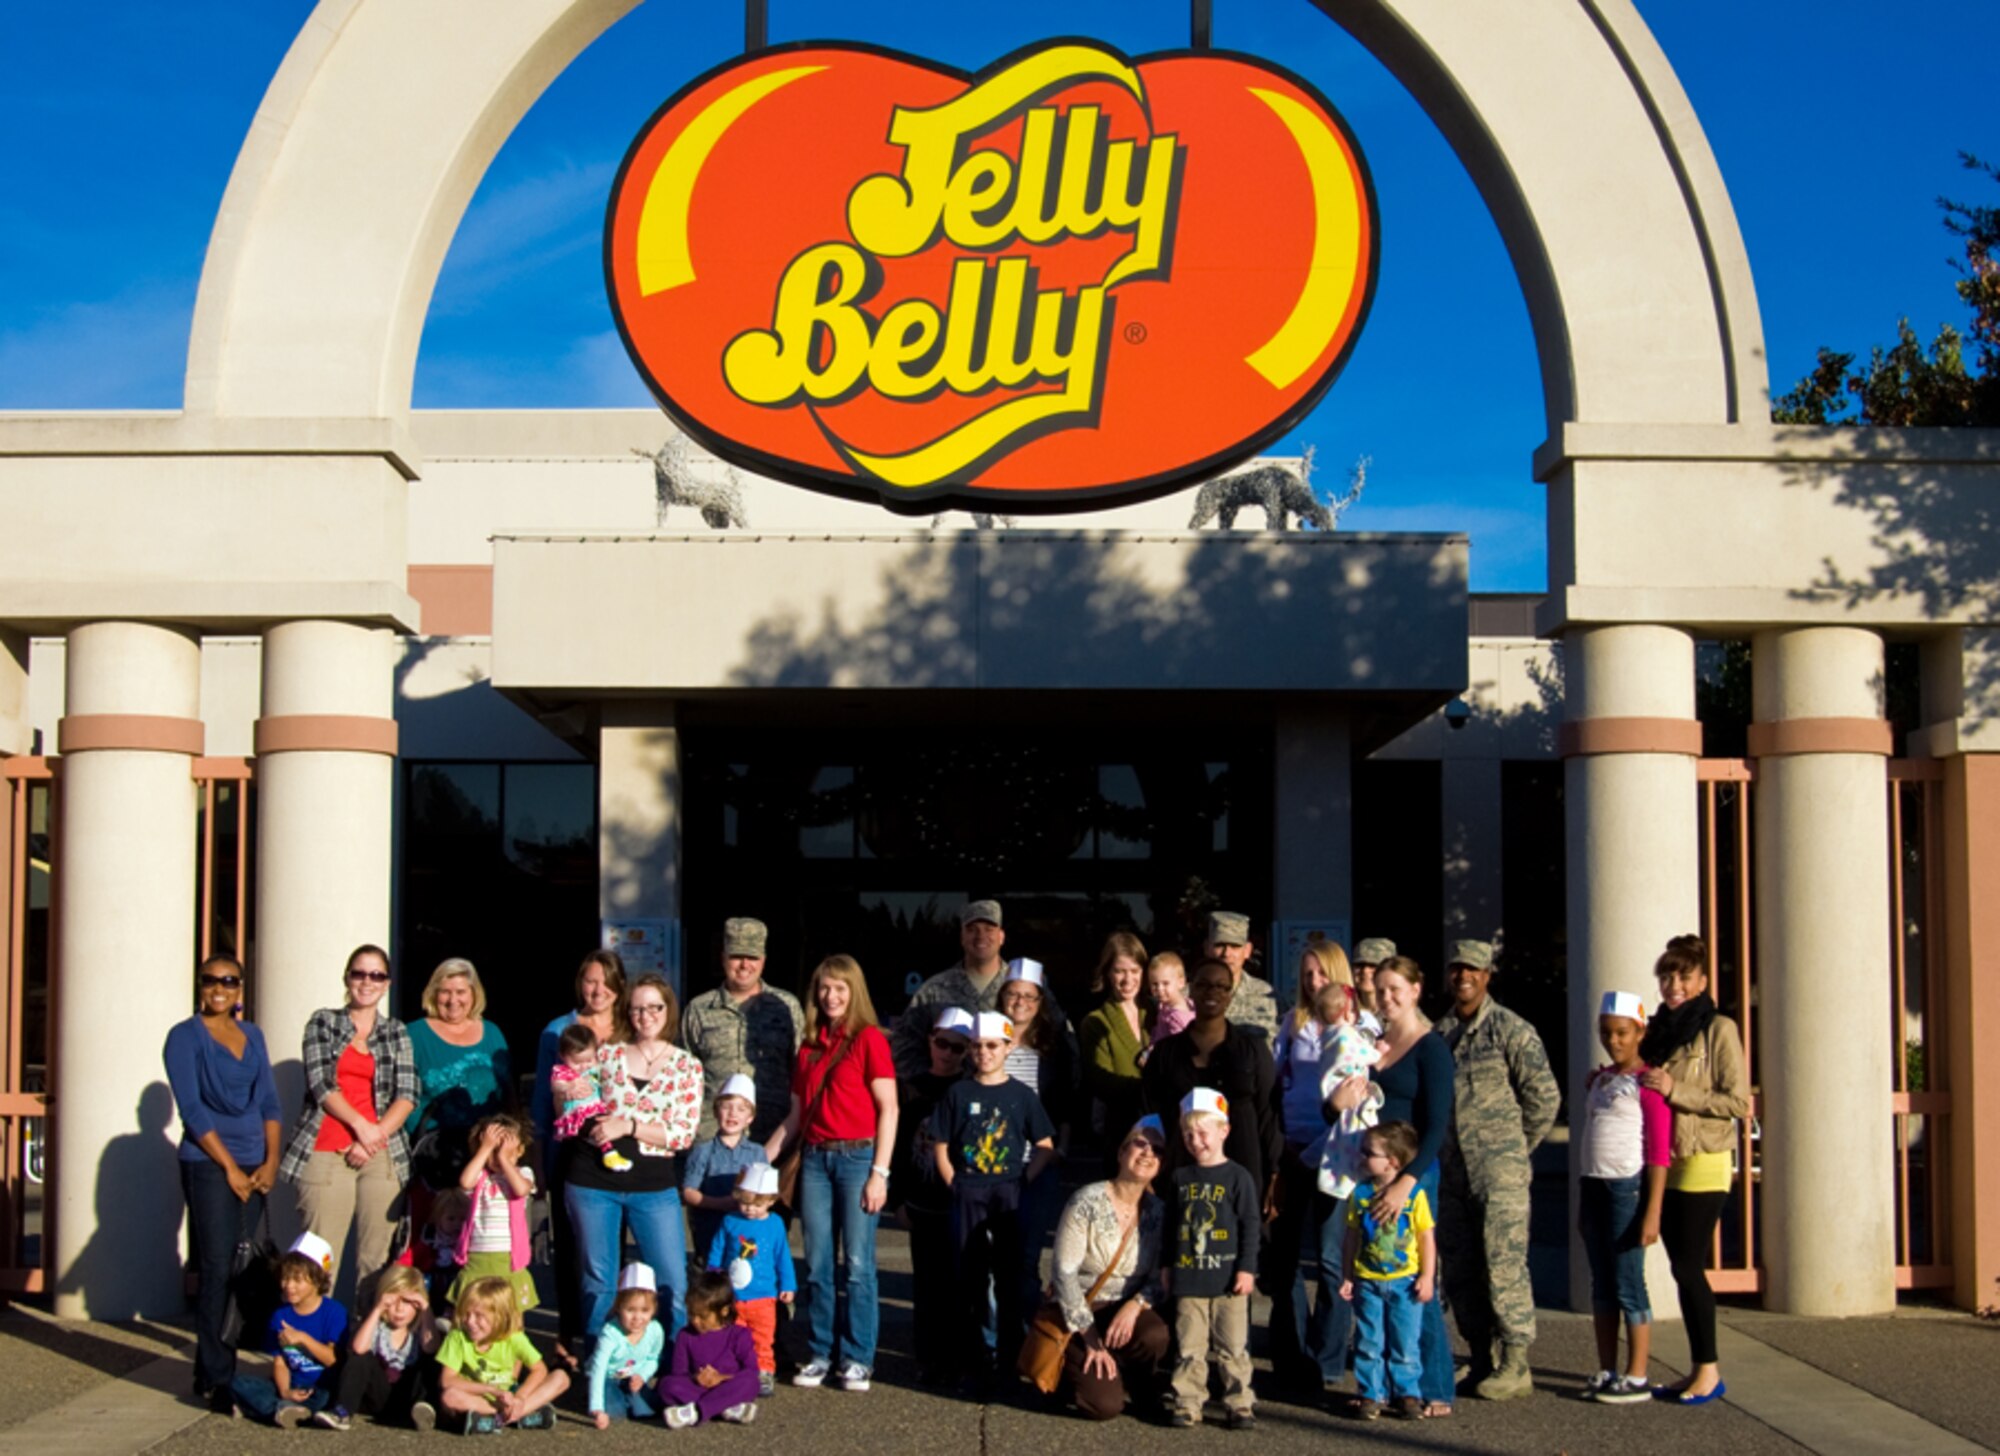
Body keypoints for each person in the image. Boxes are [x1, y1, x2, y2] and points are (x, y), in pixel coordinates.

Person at [1436, 938, 1560, 1401]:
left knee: (1503, 1265)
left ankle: (1515, 1360)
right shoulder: (1440, 1033)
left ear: (1487, 976)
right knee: (1462, 1268)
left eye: (1473, 969)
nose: (1463, 976)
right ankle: (1481, 1357)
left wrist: (1513, 1148)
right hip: (1453, 1174)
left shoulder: (1511, 1030)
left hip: (1499, 1172)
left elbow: (1544, 1098)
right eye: (1457, 969)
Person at [769, 954, 898, 1392]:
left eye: (840, 988)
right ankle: (821, 1351)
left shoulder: (868, 1040)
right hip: (817, 1162)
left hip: (858, 1159)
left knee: (859, 1264)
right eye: (824, 988)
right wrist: (761, 1160)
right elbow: (795, 1115)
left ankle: (858, 1356)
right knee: (819, 1264)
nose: (831, 996)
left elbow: (889, 1108)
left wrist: (880, 1172)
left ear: (854, 991)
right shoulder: (809, 1045)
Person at [163, 951, 283, 1413]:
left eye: (229, 981)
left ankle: (211, 1365)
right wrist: (230, 1168)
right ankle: (217, 1377)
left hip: (255, 1164)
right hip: (210, 1164)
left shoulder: (252, 1035)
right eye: (210, 980)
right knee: (216, 1267)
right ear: (200, 984)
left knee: (241, 1265)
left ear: (240, 988)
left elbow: (270, 1103)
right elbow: (191, 1110)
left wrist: (270, 1161)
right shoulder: (184, 1037)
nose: (219, 988)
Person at [565, 972, 703, 1346]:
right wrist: (567, 1090)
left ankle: (673, 1364)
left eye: (653, 1007)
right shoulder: (607, 1054)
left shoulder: (686, 1066)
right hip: (594, 1181)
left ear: (667, 1009)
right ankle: (602, 1366)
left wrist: (628, 1125)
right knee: (600, 1279)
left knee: (671, 1277)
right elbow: (574, 1098)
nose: (645, 1016)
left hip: (653, 1186)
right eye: (637, 1008)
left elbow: (682, 1133)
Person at [1640, 933, 1748, 1406]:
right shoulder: (1658, 1027)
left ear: (1702, 981)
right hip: (1667, 1158)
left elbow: (1738, 1102)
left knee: (1688, 1266)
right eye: (1668, 975)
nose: (1674, 984)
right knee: (1682, 1268)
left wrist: (1675, 1088)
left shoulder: (1718, 1028)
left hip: (1705, 1158)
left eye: (1684, 975)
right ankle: (1697, 1368)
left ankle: (1709, 1370)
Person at [278, 944, 418, 1304]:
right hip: (326, 1148)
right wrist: (362, 1126)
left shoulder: (396, 1032)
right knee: (319, 1258)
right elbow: (321, 1084)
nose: (367, 982)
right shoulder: (323, 1022)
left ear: (387, 983)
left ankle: (365, 1352)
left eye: (376, 975)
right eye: (359, 973)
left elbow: (407, 1094)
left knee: (376, 1260)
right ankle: (314, 1348)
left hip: (383, 1153)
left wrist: (374, 1137)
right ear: (347, 978)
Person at [1347, 956, 1454, 1417]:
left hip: (1414, 1176)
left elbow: (1436, 1126)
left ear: (1416, 989)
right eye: (1381, 989)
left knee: (1415, 1284)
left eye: (1396, 989)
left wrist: (1406, 1185)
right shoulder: (1371, 1042)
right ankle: (1383, 1387)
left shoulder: (1431, 1049)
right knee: (1376, 1280)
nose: (1387, 997)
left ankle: (1435, 1388)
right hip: (1374, 1175)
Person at [932, 1009, 1056, 1395]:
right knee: (967, 1276)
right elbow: (939, 1142)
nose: (983, 1053)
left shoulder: (1021, 1095)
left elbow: (1045, 1145)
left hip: (1007, 1193)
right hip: (969, 1189)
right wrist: (953, 1180)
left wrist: (1023, 1179)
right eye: (976, 1046)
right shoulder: (959, 1092)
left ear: (1007, 1047)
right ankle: (971, 1361)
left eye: (991, 1046)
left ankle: (1010, 1359)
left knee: (1009, 1276)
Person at [1268, 941, 1362, 1393]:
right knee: (1285, 1260)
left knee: (1329, 1259)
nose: (1313, 983)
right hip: (1291, 1147)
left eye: (1321, 975)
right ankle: (1293, 1355)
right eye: (1306, 975)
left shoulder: (1360, 1026)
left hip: (1336, 1152)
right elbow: (1275, 1082)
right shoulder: (1291, 1023)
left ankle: (1327, 1361)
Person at [531, 948, 632, 1369]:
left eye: (606, 983)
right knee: (572, 1249)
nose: (598, 990)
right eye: (590, 981)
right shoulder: (558, 1030)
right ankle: (569, 1335)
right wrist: (537, 1159)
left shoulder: (631, 1028)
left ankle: (615, 1334)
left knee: (615, 1249)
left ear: (619, 988)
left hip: (619, 1148)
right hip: (569, 1148)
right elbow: (540, 1099)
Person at [1578, 990, 1669, 1404]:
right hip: (1592, 1184)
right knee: (1602, 1280)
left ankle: (1638, 1373)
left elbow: (1658, 1154)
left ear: (1639, 1032)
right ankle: (1607, 1366)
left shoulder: (1647, 1085)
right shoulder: (1600, 1079)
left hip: (1626, 1188)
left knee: (1629, 1281)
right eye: (1606, 1032)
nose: (1613, 1041)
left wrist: (1652, 1211)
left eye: (1621, 1033)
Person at [1050, 1118, 1170, 1421]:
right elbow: (1063, 1273)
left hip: (1124, 1313)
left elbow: (1159, 1278)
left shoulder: (1159, 1212)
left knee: (1155, 1334)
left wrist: (1135, 1305)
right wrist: (1090, 1338)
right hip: (1080, 1310)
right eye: (1140, 1143)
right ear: (1121, 1152)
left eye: (1157, 1149)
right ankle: (1070, 1367)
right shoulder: (1085, 1201)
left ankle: (1137, 1381)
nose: (1147, 1153)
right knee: (1103, 1407)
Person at [1141, 959, 1279, 1199]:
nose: (1212, 992)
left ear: (1230, 994)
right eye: (1204, 985)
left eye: (1221, 986)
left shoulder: (1252, 1051)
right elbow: (1148, 1114)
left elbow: (1269, 1114)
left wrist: (1276, 1172)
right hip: (1180, 1170)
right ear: (1191, 989)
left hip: (1244, 1168)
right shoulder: (1165, 1053)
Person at [1163, 1087, 1260, 1430]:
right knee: (1190, 1345)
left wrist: (1247, 1268)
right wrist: (1166, 1265)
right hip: (1189, 1277)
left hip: (1228, 1280)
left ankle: (1239, 1402)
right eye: (1188, 1133)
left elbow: (1250, 1224)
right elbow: (1170, 1225)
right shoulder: (1179, 1178)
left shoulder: (1238, 1177)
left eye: (1203, 1132)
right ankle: (1188, 1401)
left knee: (1233, 1346)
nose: (1196, 1140)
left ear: (1224, 1131)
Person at [891, 900, 1064, 1075]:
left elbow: (1059, 1039)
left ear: (1001, 936)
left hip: (1011, 1095)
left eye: (989, 929)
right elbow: (904, 1044)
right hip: (951, 1097)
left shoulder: (1024, 988)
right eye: (972, 929)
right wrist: (927, 1084)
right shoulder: (934, 989)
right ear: (962, 937)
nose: (980, 936)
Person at [894, 1006, 973, 1386]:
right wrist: (897, 1200)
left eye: (957, 1048)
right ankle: (926, 1356)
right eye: (942, 1043)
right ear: (930, 1041)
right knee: (926, 1284)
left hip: (958, 1202)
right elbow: (895, 1149)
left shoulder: (969, 1090)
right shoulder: (910, 1089)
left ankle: (957, 1357)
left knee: (959, 1283)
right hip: (920, 1200)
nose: (947, 1052)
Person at [1339, 1121, 1435, 1422]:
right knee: (1368, 1340)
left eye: (1369, 1152)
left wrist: (1427, 1276)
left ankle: (1407, 1392)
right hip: (1368, 1280)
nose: (1362, 1156)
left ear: (1392, 1161)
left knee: (1405, 1340)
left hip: (1404, 1280)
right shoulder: (1360, 1194)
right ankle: (1370, 1392)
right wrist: (1347, 1275)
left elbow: (1425, 1237)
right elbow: (1351, 1237)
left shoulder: (1414, 1196)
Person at [998, 957, 1076, 1317]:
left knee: (1027, 1257)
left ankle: (1023, 1344)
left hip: (1039, 1164)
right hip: (993, 1165)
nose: (1020, 1002)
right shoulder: (987, 1040)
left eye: (1029, 996)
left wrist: (1061, 1147)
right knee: (992, 1258)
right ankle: (991, 1343)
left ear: (1040, 1002)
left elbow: (1066, 1100)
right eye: (1013, 994)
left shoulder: (1054, 1046)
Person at [680, 917, 804, 1143]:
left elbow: (800, 1071)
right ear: (723, 959)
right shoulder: (698, 1009)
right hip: (711, 1140)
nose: (745, 965)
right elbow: (684, 1075)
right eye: (737, 956)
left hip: (773, 1138)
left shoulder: (786, 1007)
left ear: (763, 961)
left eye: (752, 957)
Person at [406, 957, 512, 1198]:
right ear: (433, 994)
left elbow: (508, 1097)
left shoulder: (492, 1033)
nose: (453, 1000)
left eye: (461, 992)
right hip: (433, 1162)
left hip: (487, 1158)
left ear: (474, 994)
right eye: (444, 992)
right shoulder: (414, 1034)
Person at [231, 1232, 348, 1427]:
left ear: (317, 1280)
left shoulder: (334, 1311)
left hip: (320, 1385)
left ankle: (270, 1410)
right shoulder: (280, 1315)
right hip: (290, 1384)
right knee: (239, 1383)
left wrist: (303, 1339)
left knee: (325, 1399)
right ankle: (283, 1408)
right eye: (285, 1279)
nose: (289, 1286)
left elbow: (333, 1360)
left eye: (297, 1280)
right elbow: (279, 1362)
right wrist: (285, 1391)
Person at [705, 1162, 795, 1395]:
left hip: (764, 1296)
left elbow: (782, 1255)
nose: (749, 1209)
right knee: (733, 1337)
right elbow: (717, 1249)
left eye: (756, 1204)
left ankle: (764, 1372)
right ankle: (735, 1371)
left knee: (763, 1338)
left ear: (771, 1201)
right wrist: (713, 1273)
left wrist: (788, 1284)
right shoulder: (730, 1221)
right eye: (744, 1203)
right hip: (733, 1296)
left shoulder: (775, 1224)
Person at [436, 1275, 569, 1432]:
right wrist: (490, 1390)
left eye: (479, 1316)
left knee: (561, 1377)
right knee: (449, 1397)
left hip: (510, 1394)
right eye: (467, 1313)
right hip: (478, 1397)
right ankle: (514, 1417)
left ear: (500, 1317)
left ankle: (503, 1417)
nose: (470, 1321)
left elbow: (539, 1369)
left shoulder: (514, 1337)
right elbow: (447, 1381)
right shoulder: (457, 1337)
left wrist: (520, 1397)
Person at [319, 1263, 441, 1431]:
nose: (399, 1309)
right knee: (360, 1358)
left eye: (407, 1302)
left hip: (408, 1398)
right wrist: (378, 1309)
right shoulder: (378, 1326)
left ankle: (424, 1410)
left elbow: (431, 1347)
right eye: (394, 1302)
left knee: (430, 1360)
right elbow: (359, 1348)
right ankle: (343, 1411)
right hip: (378, 1395)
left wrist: (426, 1308)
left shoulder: (420, 1329)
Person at [452, 1113, 539, 1314]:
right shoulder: (480, 1177)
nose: (499, 1155)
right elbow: (465, 1182)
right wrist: (485, 1148)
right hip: (477, 1255)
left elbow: (521, 1190)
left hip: (508, 1257)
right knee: (473, 1309)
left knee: (511, 1311)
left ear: (519, 1151)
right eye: (494, 1150)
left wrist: (503, 1159)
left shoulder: (523, 1173)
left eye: (507, 1150)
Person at [682, 1073, 765, 1263]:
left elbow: (765, 1194)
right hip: (710, 1230)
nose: (733, 1114)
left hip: (745, 1233)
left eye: (741, 1109)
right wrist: (720, 1203)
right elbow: (688, 1192)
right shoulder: (703, 1151)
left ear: (750, 1117)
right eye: (726, 1107)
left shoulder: (757, 1153)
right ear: (716, 1112)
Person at [660, 1271, 761, 1427]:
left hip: (727, 1385)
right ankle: (726, 1408)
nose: (695, 1320)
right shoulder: (685, 1335)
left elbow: (751, 1370)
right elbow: (679, 1372)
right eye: (691, 1314)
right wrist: (696, 1378)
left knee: (751, 1382)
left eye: (703, 1316)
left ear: (724, 1311)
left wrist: (721, 1378)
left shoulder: (739, 1334)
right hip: (700, 1388)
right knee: (667, 1385)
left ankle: (696, 1412)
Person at [1079, 933, 1148, 1159]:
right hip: (1121, 1135)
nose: (1128, 980)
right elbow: (1100, 1080)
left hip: (1163, 1133)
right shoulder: (1095, 1022)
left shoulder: (1161, 1015)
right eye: (1120, 971)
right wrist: (1152, 1086)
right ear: (1107, 972)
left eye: (1134, 971)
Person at [588, 1263, 667, 1427]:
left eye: (645, 1310)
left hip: (633, 1376)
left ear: (653, 1310)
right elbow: (599, 1368)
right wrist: (596, 1407)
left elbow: (653, 1358)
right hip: (609, 1376)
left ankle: (629, 1398)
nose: (637, 1317)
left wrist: (642, 1376)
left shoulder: (655, 1330)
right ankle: (599, 1395)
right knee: (615, 1411)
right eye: (631, 1310)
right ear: (618, 1307)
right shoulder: (610, 1334)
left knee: (649, 1410)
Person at [550, 1022, 632, 1172]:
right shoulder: (563, 1072)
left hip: (595, 1108)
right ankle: (609, 1152)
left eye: (589, 1060)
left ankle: (608, 1151)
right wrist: (567, 1088)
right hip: (576, 1112)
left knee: (602, 1124)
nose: (584, 1066)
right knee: (595, 1128)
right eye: (577, 1062)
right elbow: (556, 1086)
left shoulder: (596, 1069)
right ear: (562, 1056)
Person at [1201, 911, 1278, 1049]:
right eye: (1220, 945)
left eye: (1235, 946)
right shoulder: (1186, 998)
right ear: (1207, 948)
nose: (1227, 954)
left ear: (1247, 950)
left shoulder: (1269, 998)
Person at [1143, 952, 1192, 1055]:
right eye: (1155, 984)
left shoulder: (1177, 1017)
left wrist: (1152, 1054)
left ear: (1181, 982)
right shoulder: (1166, 1005)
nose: (1159, 989)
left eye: (1165, 983)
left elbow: (1177, 1047)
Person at [1351, 938, 1397, 1024]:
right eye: (1360, 965)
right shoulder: (1345, 1008)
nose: (1365, 970)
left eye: (1373, 965)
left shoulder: (1401, 1011)